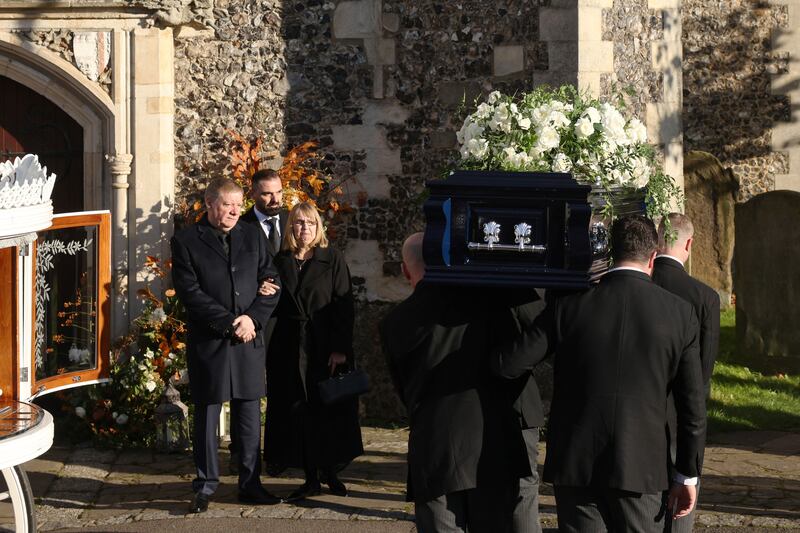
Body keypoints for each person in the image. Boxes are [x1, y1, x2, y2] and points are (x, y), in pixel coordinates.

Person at [492, 215, 707, 533]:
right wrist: (686, 474)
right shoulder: (680, 314)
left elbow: (510, 364)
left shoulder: (569, 307)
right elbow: (692, 406)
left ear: (609, 254)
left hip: (577, 461)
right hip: (643, 466)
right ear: (652, 257)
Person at [380, 232, 538, 533]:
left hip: (433, 447)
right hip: (491, 445)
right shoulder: (489, 302)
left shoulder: (394, 322)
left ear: (404, 270)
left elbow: (404, 390)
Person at [170, 178, 281, 513]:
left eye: (237, 204)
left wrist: (252, 319)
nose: (235, 210)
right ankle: (205, 486)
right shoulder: (187, 240)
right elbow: (190, 293)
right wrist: (231, 323)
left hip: (249, 338)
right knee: (207, 413)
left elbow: (272, 279)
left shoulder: (252, 234)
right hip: (211, 341)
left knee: (249, 415)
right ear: (209, 203)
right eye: (227, 204)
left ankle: (250, 484)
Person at [264, 202, 363, 500]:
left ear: (318, 227)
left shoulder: (331, 258)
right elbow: (273, 301)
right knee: (299, 411)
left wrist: (340, 349)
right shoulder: (280, 260)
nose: (304, 228)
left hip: (324, 345)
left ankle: (330, 471)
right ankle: (309, 476)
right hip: (289, 346)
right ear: (291, 227)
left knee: (328, 409)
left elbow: (343, 305)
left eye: (309, 223)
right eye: (298, 223)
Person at [653, 213, 720, 533]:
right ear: (690, 243)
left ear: (657, 240)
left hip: (641, 408)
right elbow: (703, 370)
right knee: (681, 511)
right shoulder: (704, 297)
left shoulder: (641, 282)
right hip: (682, 415)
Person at [229, 169, 288, 474]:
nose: (274, 198)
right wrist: (257, 290)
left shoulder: (294, 221)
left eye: (278, 192)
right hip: (250, 317)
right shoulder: (239, 225)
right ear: (252, 194)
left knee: (282, 388)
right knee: (244, 388)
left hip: (285, 320)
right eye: (266, 193)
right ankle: (240, 453)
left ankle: (278, 454)